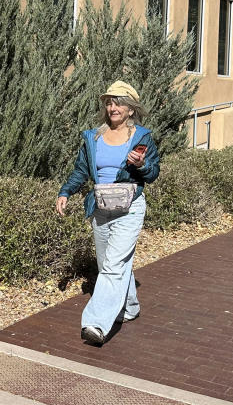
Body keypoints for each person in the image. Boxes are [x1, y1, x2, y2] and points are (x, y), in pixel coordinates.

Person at [55, 80, 160, 345]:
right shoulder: (93, 137)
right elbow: (81, 169)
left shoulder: (141, 137)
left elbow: (153, 173)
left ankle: (96, 324)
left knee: (113, 266)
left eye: (119, 102)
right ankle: (130, 307)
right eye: (109, 102)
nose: (113, 107)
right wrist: (65, 192)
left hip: (130, 205)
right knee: (109, 264)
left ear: (131, 109)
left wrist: (142, 165)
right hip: (101, 206)